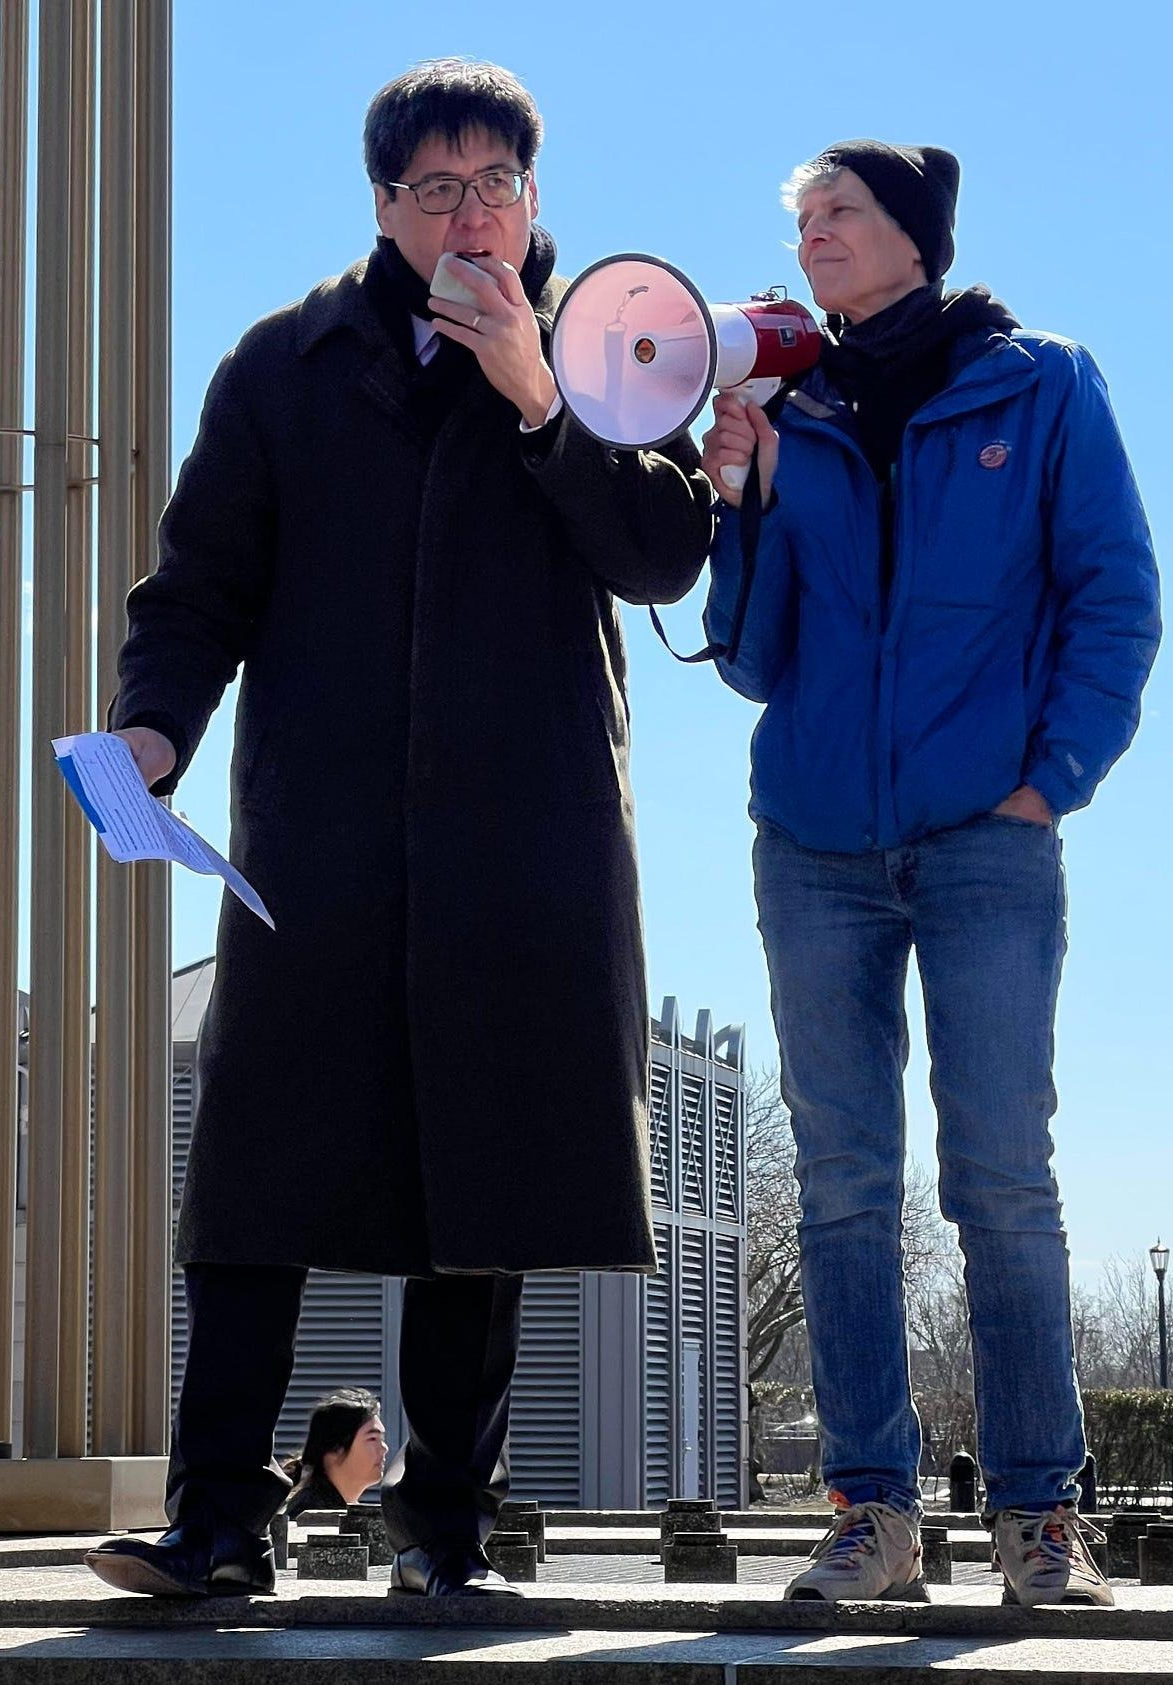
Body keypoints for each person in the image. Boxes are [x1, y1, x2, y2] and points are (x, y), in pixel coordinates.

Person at [84, 58, 711, 1601]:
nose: (471, 214)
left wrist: (540, 402)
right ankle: (216, 1521)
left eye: (497, 183)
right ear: (382, 205)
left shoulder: (616, 345)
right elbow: (197, 585)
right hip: (321, 832)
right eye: (437, 189)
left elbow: (659, 552)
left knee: (483, 1187)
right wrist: (156, 726)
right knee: (256, 1178)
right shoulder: (284, 363)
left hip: (526, 835)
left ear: (536, 194)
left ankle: (445, 1534)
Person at [701, 140, 1159, 1608]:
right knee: (840, 1184)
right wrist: (741, 497)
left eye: (837, 212)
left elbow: (1116, 596)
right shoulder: (796, 401)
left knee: (1001, 1178)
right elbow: (756, 658)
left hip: (987, 841)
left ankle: (1038, 1517)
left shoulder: (1044, 383)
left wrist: (1050, 783)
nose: (813, 235)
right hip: (813, 847)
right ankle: (872, 1518)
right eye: (803, 217)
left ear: (915, 234)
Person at [282, 1390, 389, 1518]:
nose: (384, 1448)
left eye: (381, 1439)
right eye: (372, 1439)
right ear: (335, 1448)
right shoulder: (309, 1516)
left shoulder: (345, 1510)